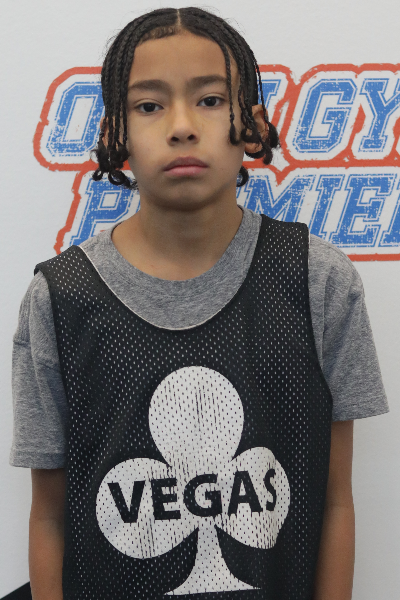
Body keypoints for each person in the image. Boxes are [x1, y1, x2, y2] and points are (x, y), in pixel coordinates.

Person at [10, 7, 388, 600]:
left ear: (254, 127)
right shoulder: (61, 299)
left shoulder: (318, 280)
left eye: (210, 100)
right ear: (114, 135)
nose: (182, 126)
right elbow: (50, 515)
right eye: (149, 105)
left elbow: (335, 500)